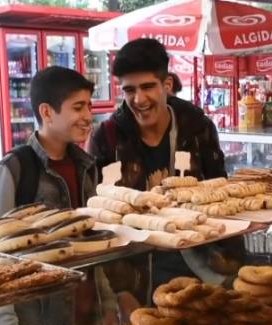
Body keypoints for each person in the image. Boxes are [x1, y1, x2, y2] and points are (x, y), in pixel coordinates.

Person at [0, 66, 119, 325]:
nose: (88, 116)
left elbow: (97, 241)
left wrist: (108, 305)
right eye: (78, 107)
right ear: (47, 112)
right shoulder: (15, 170)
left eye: (89, 105)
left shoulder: (87, 167)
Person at [88, 38, 239, 291]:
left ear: (167, 84)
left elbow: (221, 197)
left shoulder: (196, 127)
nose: (139, 99)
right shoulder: (107, 138)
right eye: (129, 90)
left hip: (205, 267)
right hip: (137, 276)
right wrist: (120, 292)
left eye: (148, 86)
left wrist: (232, 266)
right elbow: (101, 219)